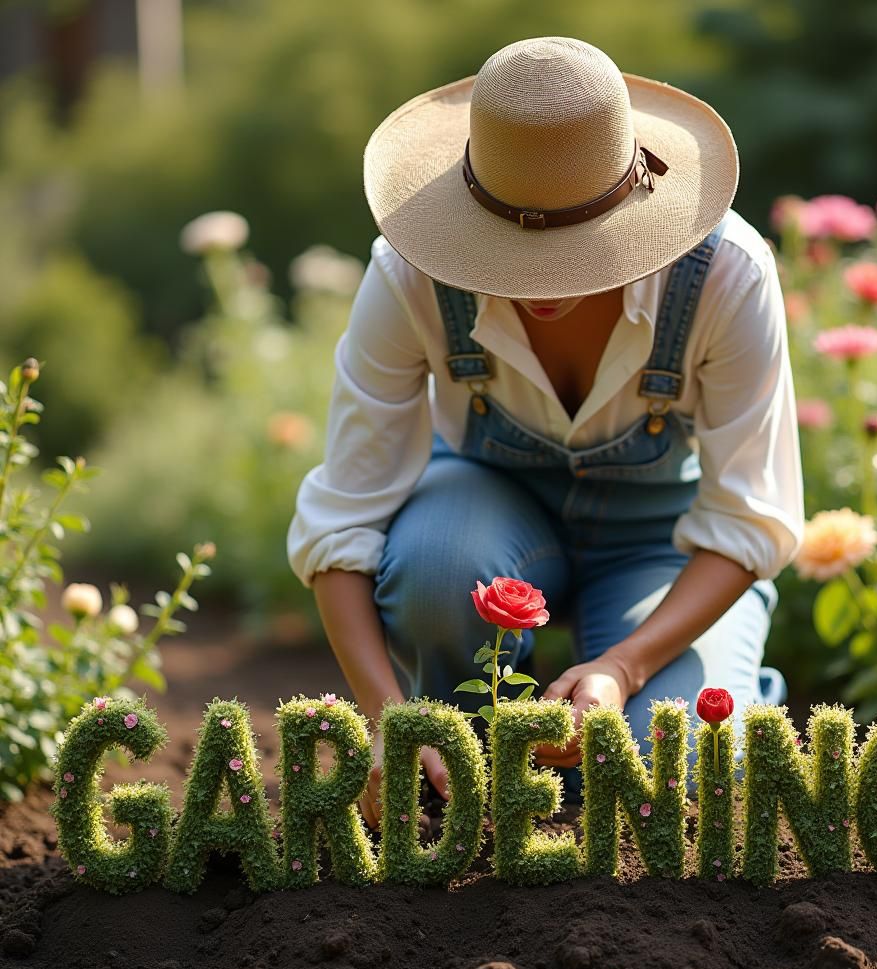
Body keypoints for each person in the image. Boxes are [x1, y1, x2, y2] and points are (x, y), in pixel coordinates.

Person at [287, 36, 805, 829]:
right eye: (512, 251)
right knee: (434, 564)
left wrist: (624, 667)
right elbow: (343, 521)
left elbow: (746, 517)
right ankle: (452, 748)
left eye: (570, 250)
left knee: (675, 768)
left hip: (658, 546)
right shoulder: (408, 276)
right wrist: (387, 716)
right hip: (483, 518)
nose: (540, 284)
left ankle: (713, 698)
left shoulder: (725, 275)